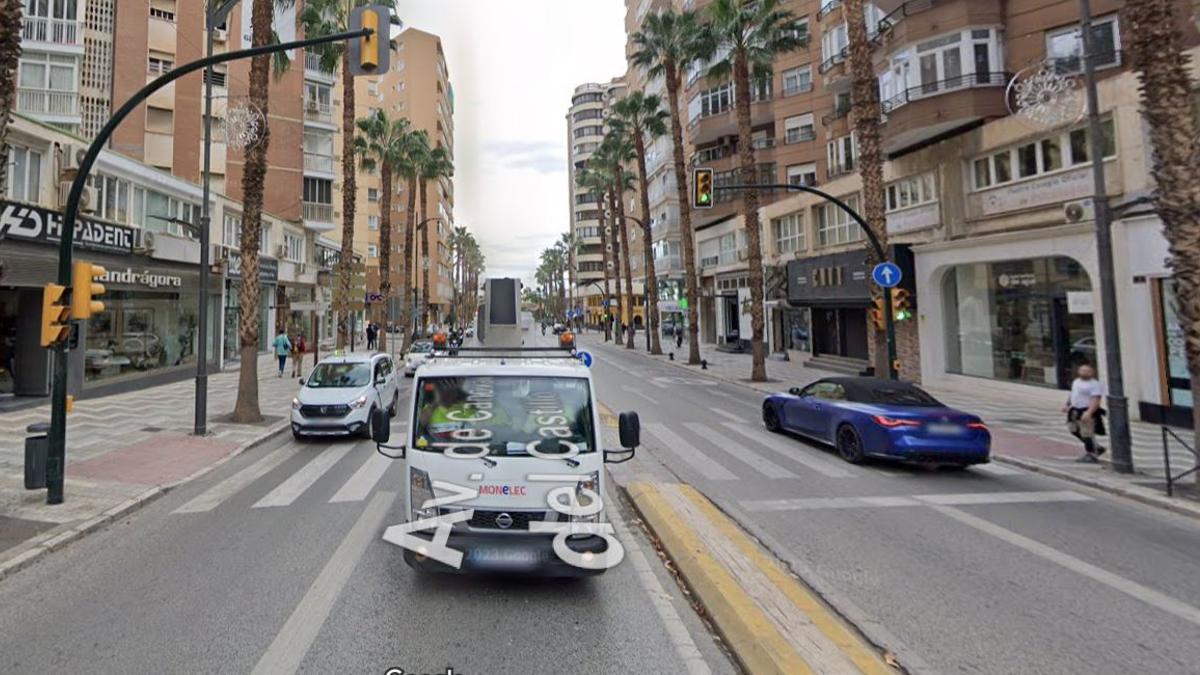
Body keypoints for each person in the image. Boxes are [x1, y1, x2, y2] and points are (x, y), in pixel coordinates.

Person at [1062, 364, 1107, 462]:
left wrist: (1089, 412)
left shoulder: (1094, 384)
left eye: (1087, 371)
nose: (1084, 373)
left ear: (1092, 373)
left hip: (1086, 410)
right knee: (1073, 429)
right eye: (1082, 370)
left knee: (1087, 433)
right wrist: (1067, 404)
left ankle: (1091, 454)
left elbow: (1096, 399)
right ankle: (1097, 447)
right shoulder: (1076, 382)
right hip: (1074, 410)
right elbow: (1073, 394)